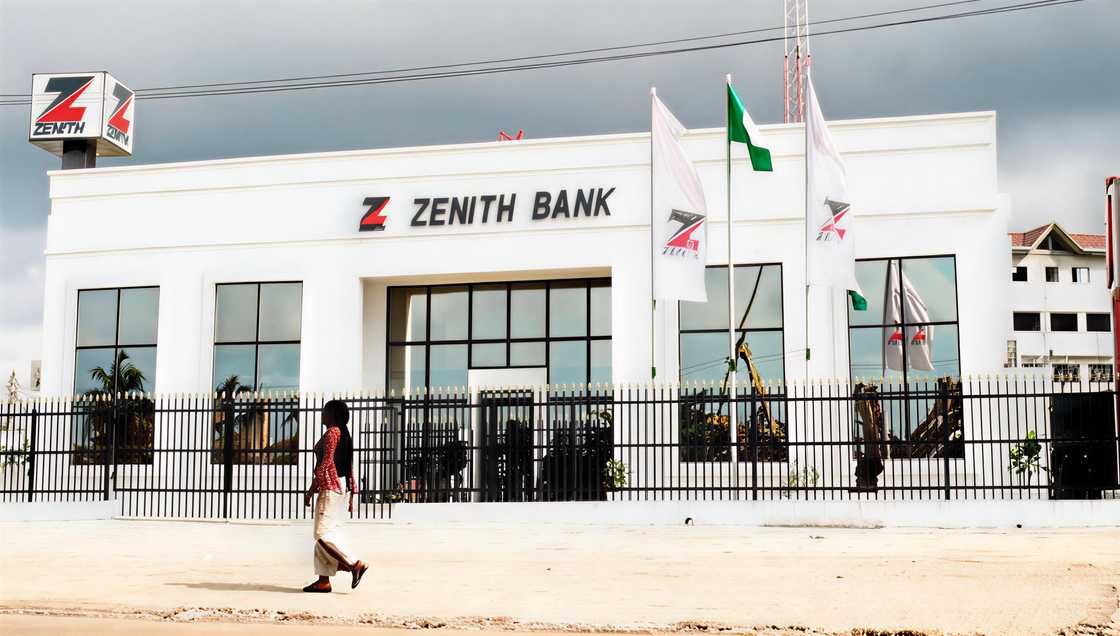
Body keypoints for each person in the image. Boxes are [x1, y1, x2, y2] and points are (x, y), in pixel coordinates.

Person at [303, 399, 368, 593]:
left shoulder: (333, 432)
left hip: (330, 488)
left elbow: (326, 463)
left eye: (325, 411)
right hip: (339, 487)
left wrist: (311, 489)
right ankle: (323, 581)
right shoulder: (343, 433)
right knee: (327, 535)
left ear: (332, 414)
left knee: (321, 534)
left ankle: (353, 564)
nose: (322, 414)